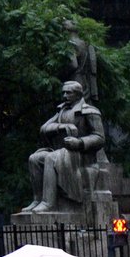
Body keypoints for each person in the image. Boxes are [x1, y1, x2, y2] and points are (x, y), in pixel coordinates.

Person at [26, 81, 106, 214]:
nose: (65, 95)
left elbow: (100, 138)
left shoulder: (90, 111)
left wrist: (79, 142)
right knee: (35, 158)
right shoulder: (61, 110)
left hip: (81, 156)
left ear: (78, 94)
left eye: (68, 92)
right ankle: (37, 199)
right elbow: (43, 128)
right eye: (63, 92)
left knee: (52, 157)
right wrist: (60, 127)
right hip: (62, 152)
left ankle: (48, 202)